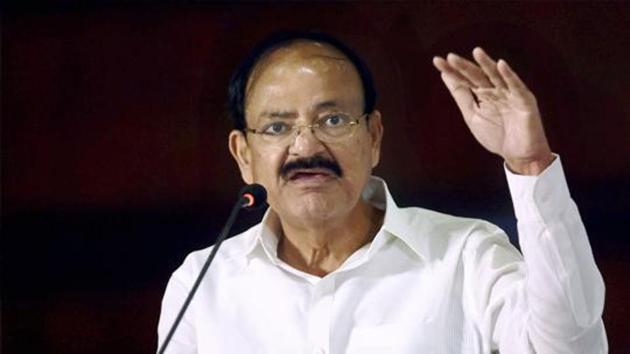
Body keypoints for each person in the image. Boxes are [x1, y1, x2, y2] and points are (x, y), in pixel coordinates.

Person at [158, 31, 607, 353]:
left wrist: (530, 165)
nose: (306, 147)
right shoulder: (203, 282)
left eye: (333, 120)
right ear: (244, 154)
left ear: (373, 136)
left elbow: (571, 347)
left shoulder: (465, 256)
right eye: (278, 127)